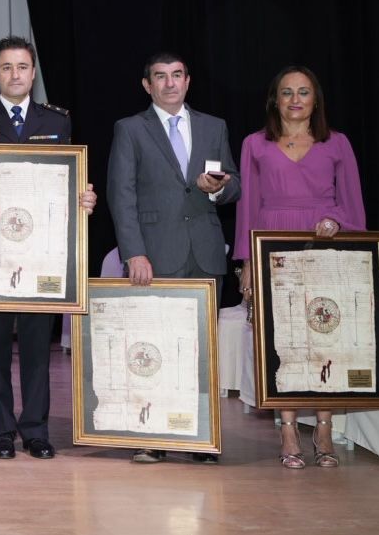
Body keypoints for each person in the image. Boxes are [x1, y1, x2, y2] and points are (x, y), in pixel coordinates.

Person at [0, 36, 96, 460]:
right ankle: (1, 431)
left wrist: (82, 198)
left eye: (22, 67)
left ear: (33, 73)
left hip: (40, 254)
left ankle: (35, 430)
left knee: (39, 349)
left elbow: (66, 179)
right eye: (6, 67)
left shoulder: (58, 120)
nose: (15, 74)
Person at [106, 51, 240, 464]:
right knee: (157, 348)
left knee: (200, 350)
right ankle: (153, 436)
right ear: (147, 85)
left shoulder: (213, 126)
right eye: (160, 77)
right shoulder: (130, 129)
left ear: (188, 81)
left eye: (177, 75)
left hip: (204, 254)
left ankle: (199, 436)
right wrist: (134, 253)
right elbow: (121, 196)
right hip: (155, 256)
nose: (169, 83)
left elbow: (233, 186)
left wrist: (216, 187)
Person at [234, 65, 365, 470]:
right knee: (283, 344)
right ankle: (288, 427)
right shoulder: (254, 144)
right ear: (275, 99)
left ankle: (324, 427)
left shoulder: (337, 144)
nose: (295, 100)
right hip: (272, 247)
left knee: (325, 337)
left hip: (324, 251)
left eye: (303, 92)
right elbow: (247, 209)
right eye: (287, 92)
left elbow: (353, 206)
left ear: (315, 100)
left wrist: (336, 222)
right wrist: (247, 265)